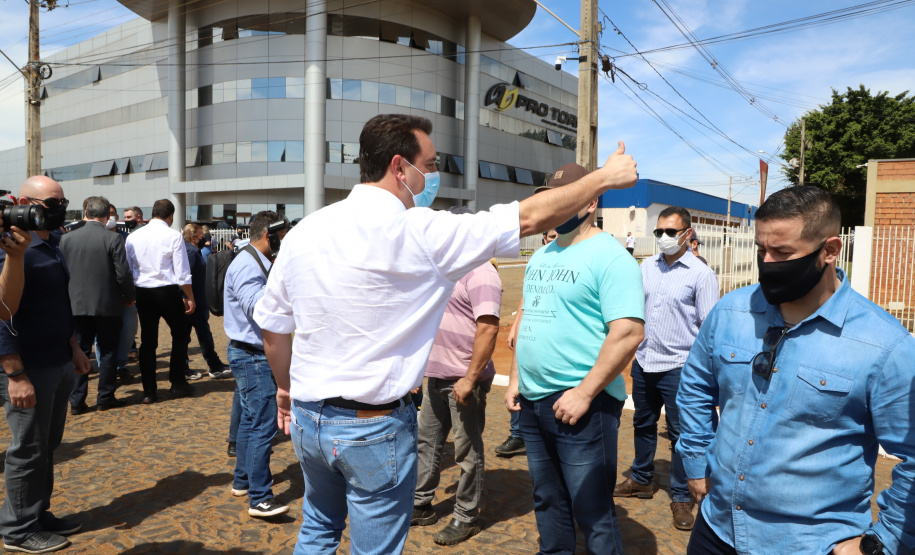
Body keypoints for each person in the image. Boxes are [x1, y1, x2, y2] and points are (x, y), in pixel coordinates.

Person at [253, 114, 638, 555]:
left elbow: (273, 328)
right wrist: (605, 177)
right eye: (430, 164)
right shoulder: (418, 230)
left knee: (318, 530)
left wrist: (284, 387)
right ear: (400, 167)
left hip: (307, 418)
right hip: (371, 425)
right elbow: (528, 217)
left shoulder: (308, 230)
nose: (434, 175)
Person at [677, 187, 915, 555]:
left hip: (809, 544)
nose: (768, 263)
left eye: (783, 253)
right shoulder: (731, 311)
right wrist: (695, 461)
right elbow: (695, 388)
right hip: (717, 529)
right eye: (761, 251)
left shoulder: (885, 346)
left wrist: (880, 542)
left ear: (830, 250)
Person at [505, 163, 645, 555]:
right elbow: (526, 317)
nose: (557, 207)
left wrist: (584, 393)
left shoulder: (611, 257)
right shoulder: (542, 256)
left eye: (568, 198)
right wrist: (516, 379)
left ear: (590, 201)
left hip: (583, 406)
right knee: (547, 500)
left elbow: (629, 332)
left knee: (593, 510)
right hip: (534, 404)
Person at [0, 176, 91, 554]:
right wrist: (15, 374)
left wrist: (74, 346)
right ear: (24, 202)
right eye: (51, 204)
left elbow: (58, 302)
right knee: (28, 450)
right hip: (28, 367)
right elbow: (3, 313)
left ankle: (37, 513)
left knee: (47, 445)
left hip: (58, 360)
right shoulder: (8, 248)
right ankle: (18, 530)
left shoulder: (52, 243)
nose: (58, 210)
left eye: (62, 202)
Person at [613, 207, 718, 532]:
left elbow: (709, 328)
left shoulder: (701, 274)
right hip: (645, 363)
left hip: (680, 369)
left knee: (680, 435)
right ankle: (642, 478)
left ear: (687, 234)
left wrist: (704, 375)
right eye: (659, 232)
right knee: (642, 423)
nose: (664, 238)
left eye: (671, 232)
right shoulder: (646, 266)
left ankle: (680, 496)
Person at [412, 209, 502, 545]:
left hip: (464, 380)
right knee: (428, 443)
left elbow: (488, 327)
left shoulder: (481, 273)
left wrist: (470, 378)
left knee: (467, 451)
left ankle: (466, 516)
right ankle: (421, 505)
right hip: (435, 375)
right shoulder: (443, 271)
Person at [224, 211, 289, 518]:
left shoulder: (254, 261)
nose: (285, 241)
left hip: (248, 354)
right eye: (282, 235)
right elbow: (261, 310)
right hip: (252, 356)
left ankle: (243, 481)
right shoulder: (248, 266)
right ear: (269, 236)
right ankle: (260, 497)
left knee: (251, 423)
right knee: (262, 426)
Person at [59, 196, 135, 414]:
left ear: (86, 212)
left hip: (75, 305)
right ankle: (105, 396)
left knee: (80, 350)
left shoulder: (67, 239)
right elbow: (123, 273)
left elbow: (62, 273)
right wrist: (129, 296)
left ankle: (76, 400)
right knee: (109, 350)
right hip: (107, 305)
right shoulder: (112, 239)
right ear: (107, 215)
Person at [125, 199, 196, 403]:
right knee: (180, 335)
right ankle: (177, 382)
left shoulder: (133, 236)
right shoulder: (173, 235)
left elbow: (129, 269)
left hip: (142, 291)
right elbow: (181, 272)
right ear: (170, 216)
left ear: (153, 212)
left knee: (148, 341)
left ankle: (149, 391)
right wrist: (189, 296)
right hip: (166, 291)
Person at [182, 223, 229, 380]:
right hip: (193, 301)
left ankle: (209, 365)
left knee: (192, 335)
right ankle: (214, 366)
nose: (205, 238)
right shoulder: (190, 252)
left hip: (196, 299)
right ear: (193, 237)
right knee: (201, 335)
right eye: (202, 236)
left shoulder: (192, 251)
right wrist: (187, 298)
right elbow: (185, 276)